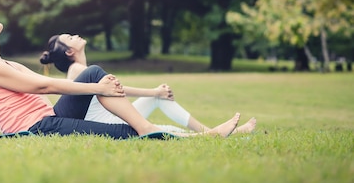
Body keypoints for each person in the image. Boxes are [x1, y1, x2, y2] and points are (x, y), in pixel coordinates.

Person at [0, 12, 242, 139]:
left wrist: (97, 84)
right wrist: (96, 87)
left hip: (47, 118)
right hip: (37, 128)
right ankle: (159, 132)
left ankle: (148, 128)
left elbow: (47, 85)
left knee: (94, 72)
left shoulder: (1, 62)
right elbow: (44, 84)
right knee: (122, 132)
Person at [40, 34, 257, 134]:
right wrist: (153, 91)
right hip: (105, 121)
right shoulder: (77, 70)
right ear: (69, 51)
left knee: (158, 105)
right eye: (70, 37)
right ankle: (213, 134)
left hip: (112, 114)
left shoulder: (81, 69)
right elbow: (117, 91)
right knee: (161, 125)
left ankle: (212, 132)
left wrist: (155, 93)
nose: (76, 35)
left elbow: (115, 92)